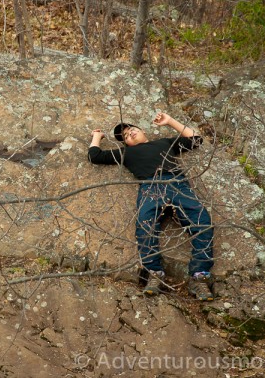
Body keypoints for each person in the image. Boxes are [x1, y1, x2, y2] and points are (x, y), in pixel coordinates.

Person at [88, 112, 214, 301]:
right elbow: (95, 156)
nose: (129, 134)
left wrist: (170, 121)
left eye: (132, 130)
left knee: (202, 222)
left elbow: (196, 139)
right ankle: (155, 275)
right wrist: (97, 137)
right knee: (145, 226)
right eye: (125, 137)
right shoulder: (126, 153)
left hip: (177, 183)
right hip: (150, 187)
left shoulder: (163, 143)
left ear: (142, 130)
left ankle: (199, 277)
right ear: (125, 144)